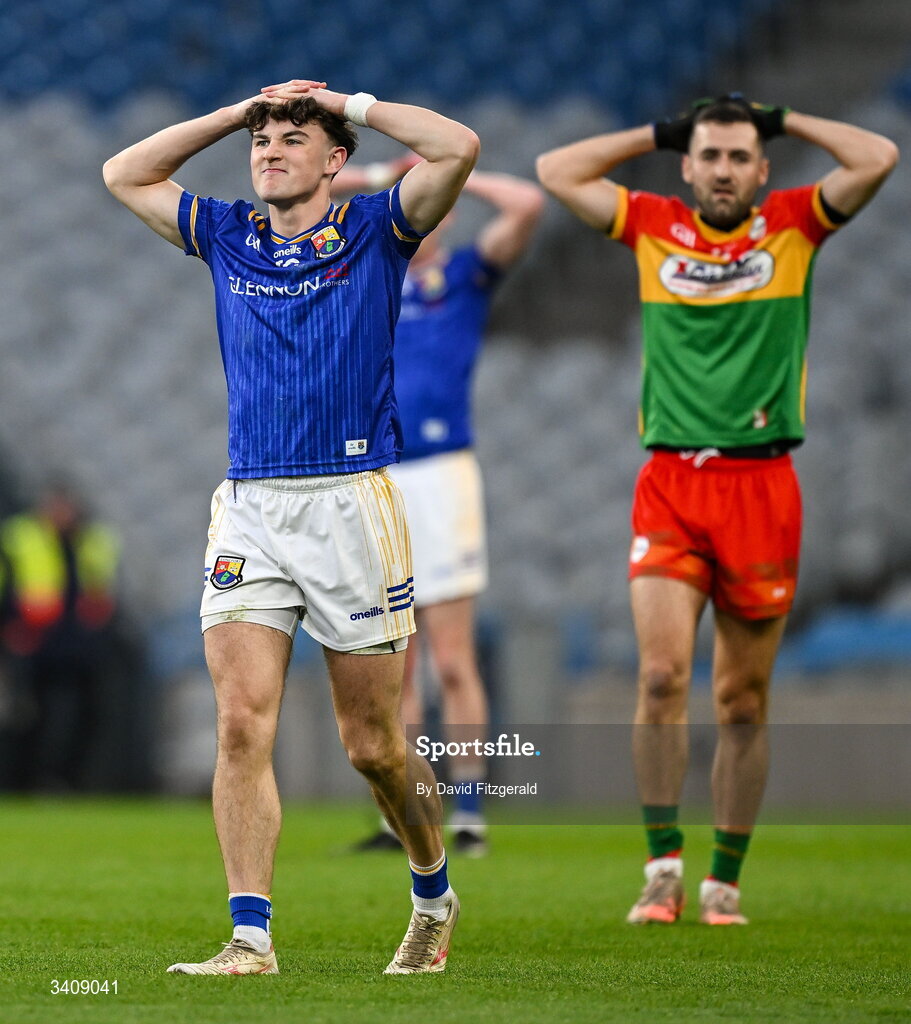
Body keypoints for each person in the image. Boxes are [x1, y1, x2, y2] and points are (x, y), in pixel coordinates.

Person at [103, 78, 479, 975]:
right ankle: (250, 938)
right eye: (259, 140)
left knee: (373, 748)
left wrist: (350, 101)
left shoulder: (379, 228)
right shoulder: (227, 233)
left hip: (353, 501)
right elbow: (124, 171)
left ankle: (433, 889)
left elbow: (457, 146)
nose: (269, 150)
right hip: (251, 507)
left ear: (334, 159)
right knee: (240, 726)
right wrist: (235, 112)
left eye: (289, 139)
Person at [537, 95, 898, 925]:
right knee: (661, 676)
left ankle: (723, 882)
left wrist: (788, 118)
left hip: (762, 487)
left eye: (740, 156)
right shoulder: (652, 223)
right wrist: (655, 135)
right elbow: (557, 171)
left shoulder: (793, 224)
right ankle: (660, 869)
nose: (725, 170)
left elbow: (876, 155)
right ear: (688, 166)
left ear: (760, 169)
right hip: (670, 481)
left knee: (740, 698)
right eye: (709, 156)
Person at [332, 158, 544, 857]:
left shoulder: (462, 279)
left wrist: (459, 177)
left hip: (444, 475)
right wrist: (374, 178)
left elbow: (526, 206)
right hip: (383, 474)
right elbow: (302, 194)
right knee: (398, 660)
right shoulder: (373, 271)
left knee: (451, 658)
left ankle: (472, 812)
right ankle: (407, 814)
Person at [0, 482, 120, 790]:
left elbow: (103, 589)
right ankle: (25, 781)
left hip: (80, 643)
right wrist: (11, 628)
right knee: (29, 714)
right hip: (35, 641)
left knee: (90, 714)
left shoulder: (93, 540)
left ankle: (71, 781)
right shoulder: (20, 537)